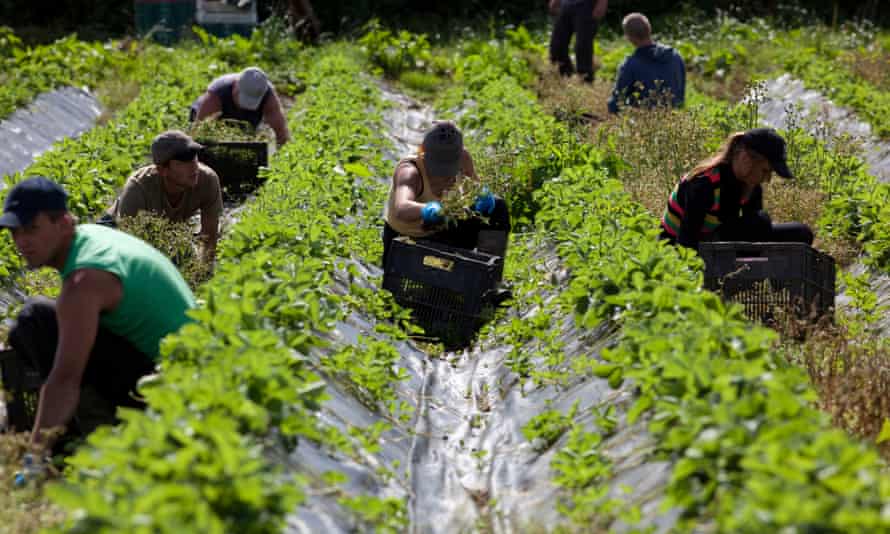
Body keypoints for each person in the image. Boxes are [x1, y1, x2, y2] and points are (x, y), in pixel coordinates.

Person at [2, 177, 196, 449]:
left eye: (32, 229)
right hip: (188, 365)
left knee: (34, 319)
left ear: (64, 222)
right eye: (15, 233)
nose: (22, 242)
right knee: (42, 318)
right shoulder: (93, 237)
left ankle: (88, 436)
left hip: (168, 389)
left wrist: (35, 456)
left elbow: (65, 379)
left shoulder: (85, 280)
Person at [382, 121, 511, 269]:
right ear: (422, 150)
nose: (444, 175)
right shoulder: (410, 171)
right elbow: (401, 208)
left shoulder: (463, 158)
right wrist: (428, 210)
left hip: (441, 231)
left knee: (498, 208)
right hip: (406, 240)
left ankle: (488, 274)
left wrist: (482, 195)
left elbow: (474, 185)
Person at [660, 128, 814, 250]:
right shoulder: (704, 184)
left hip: (714, 242)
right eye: (765, 171)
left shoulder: (751, 187)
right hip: (678, 247)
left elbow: (755, 236)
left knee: (800, 233)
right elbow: (686, 242)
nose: (767, 179)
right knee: (759, 222)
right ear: (746, 159)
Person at [106, 130, 223, 262]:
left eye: (194, 157)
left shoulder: (207, 180)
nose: (193, 166)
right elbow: (128, 247)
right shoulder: (138, 189)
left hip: (164, 229)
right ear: (162, 170)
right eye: (182, 162)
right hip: (117, 228)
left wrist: (203, 273)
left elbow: (210, 235)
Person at [190, 66, 290, 146]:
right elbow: (199, 129)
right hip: (211, 119)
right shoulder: (218, 93)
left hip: (244, 126)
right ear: (235, 87)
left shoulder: (268, 95)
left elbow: (281, 132)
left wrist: (281, 149)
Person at [608, 12, 686, 114]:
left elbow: (616, 103)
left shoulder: (631, 64)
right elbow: (681, 92)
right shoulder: (675, 56)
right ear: (649, 30)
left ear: (629, 37)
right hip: (675, 117)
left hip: (645, 120)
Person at [548, 0, 608, 83]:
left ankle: (586, 83)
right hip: (566, 4)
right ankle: (564, 78)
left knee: (582, 47)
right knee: (557, 46)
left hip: (587, 6)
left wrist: (602, 2)